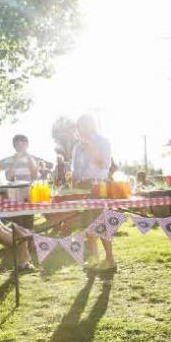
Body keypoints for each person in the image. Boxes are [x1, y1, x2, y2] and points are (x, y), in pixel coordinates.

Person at [68, 114, 118, 274]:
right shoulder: (77, 147)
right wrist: (72, 180)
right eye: (80, 125)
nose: (83, 129)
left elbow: (105, 164)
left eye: (86, 125)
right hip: (81, 188)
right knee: (87, 223)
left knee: (101, 222)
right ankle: (94, 258)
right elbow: (75, 170)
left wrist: (91, 146)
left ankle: (110, 259)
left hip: (98, 185)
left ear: (93, 125)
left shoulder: (103, 141)